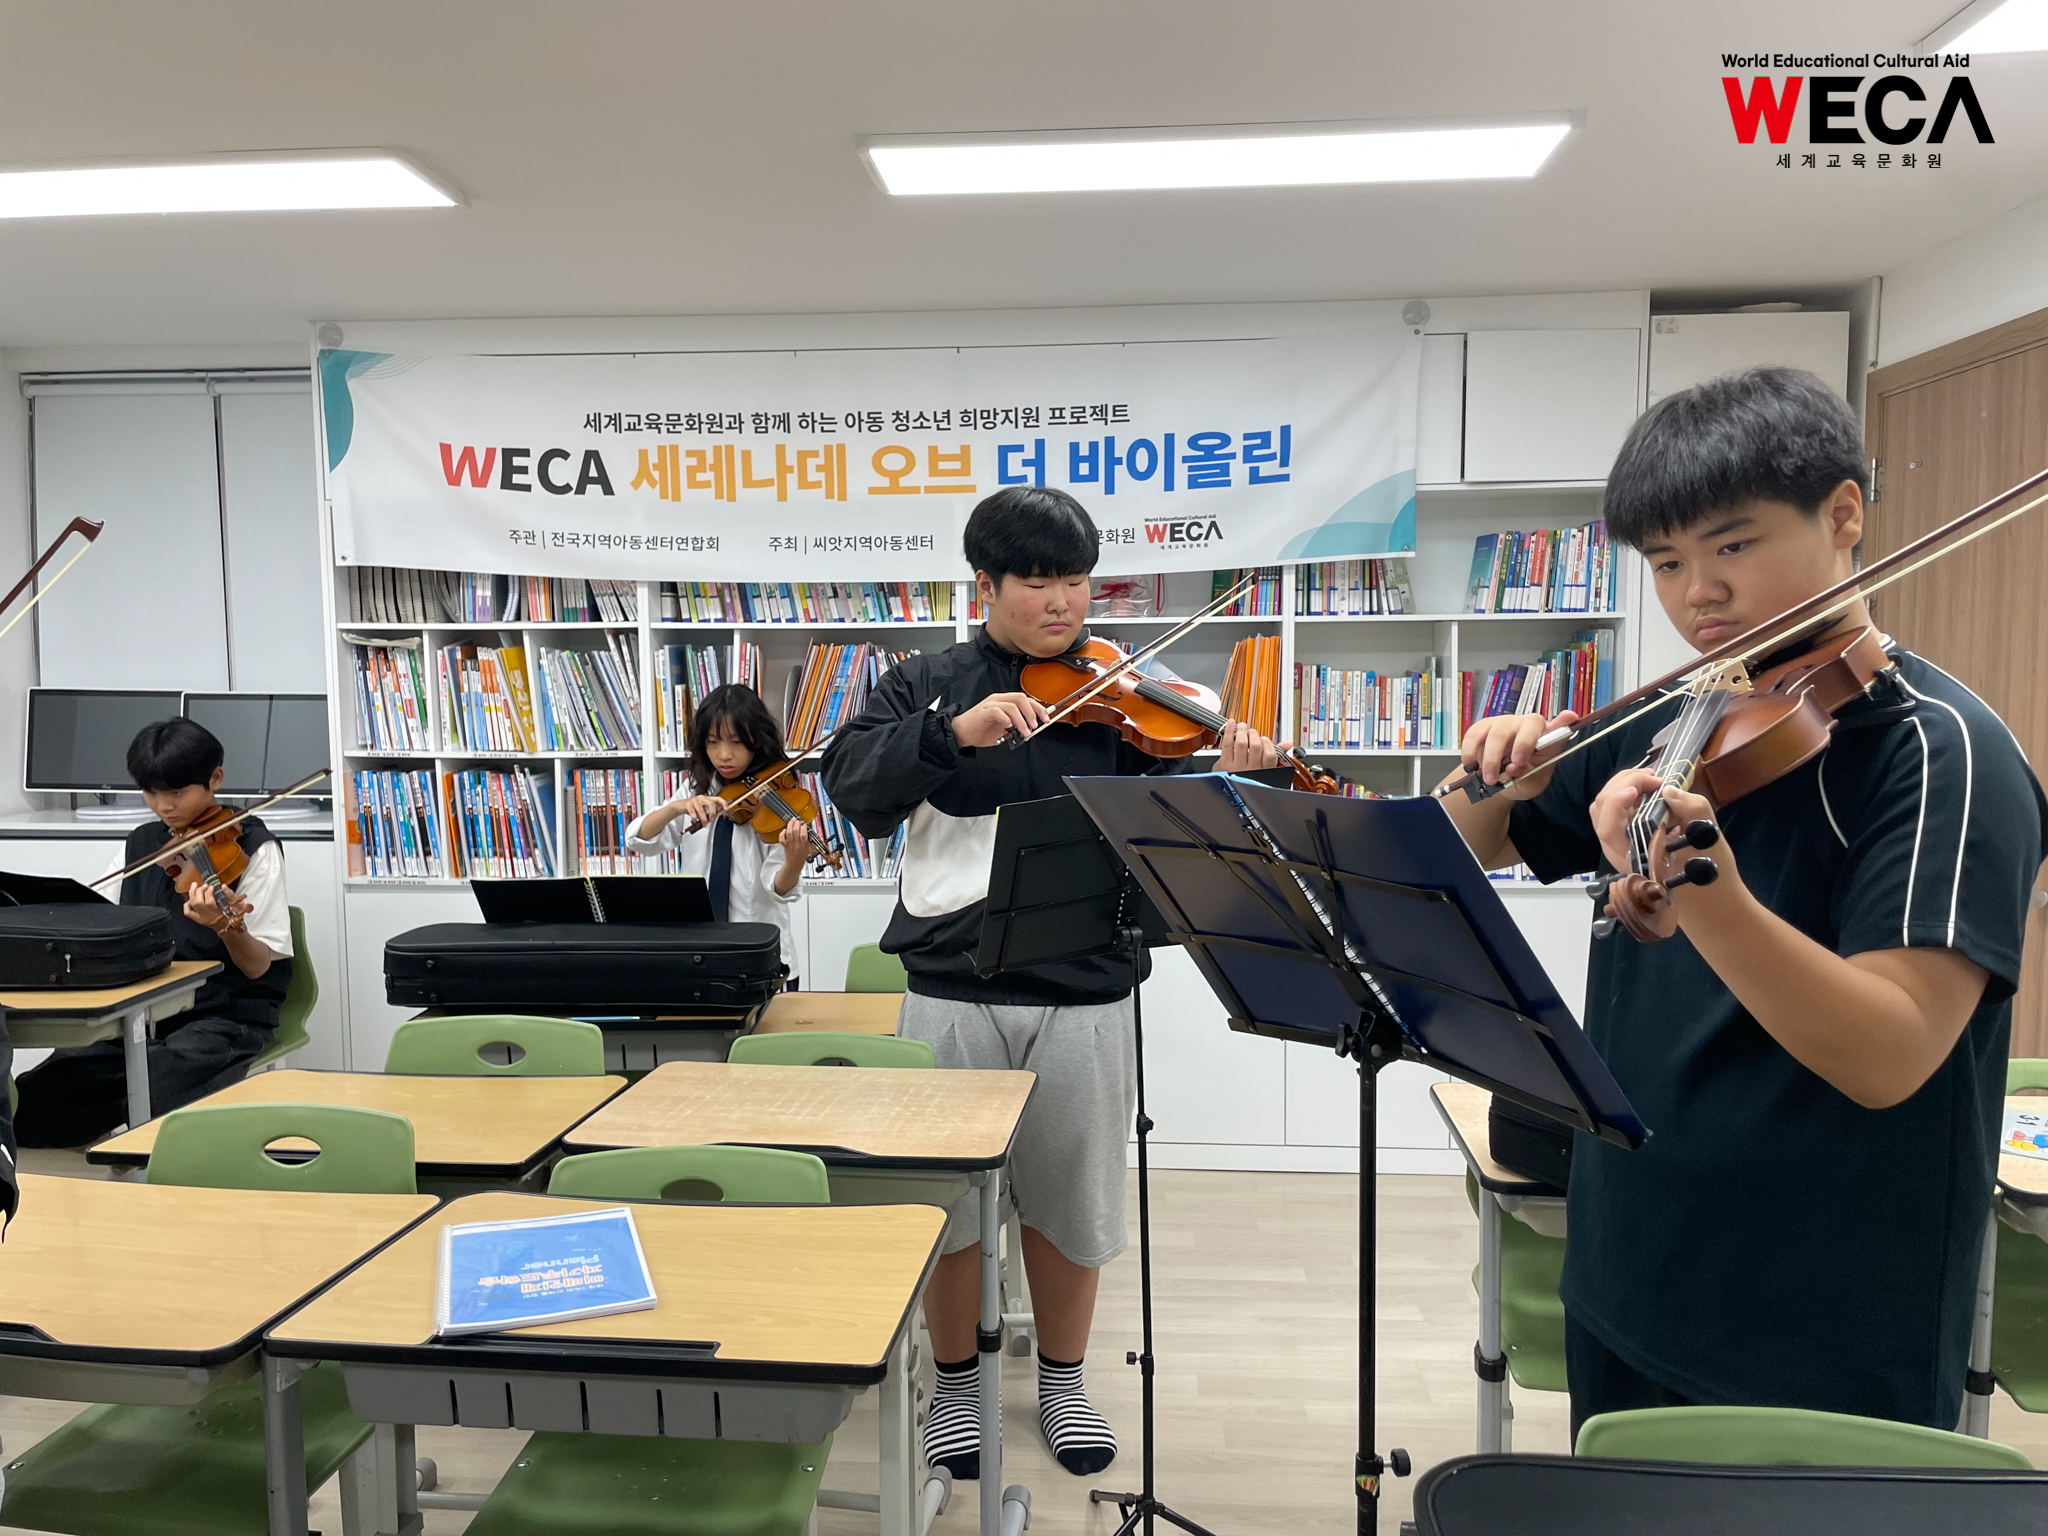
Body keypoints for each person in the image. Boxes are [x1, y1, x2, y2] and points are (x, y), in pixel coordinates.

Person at [1439, 366, 2048, 1437]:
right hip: (1627, 1259)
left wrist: (1702, 889)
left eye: (1731, 546)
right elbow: (1467, 849)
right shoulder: (1681, 715)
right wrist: (1489, 778)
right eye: (1666, 562)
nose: (1697, 595)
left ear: (1843, 515)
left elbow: (1891, 1051)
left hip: (1817, 1311)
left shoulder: (1940, 754)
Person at [820, 484, 1283, 1479]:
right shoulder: (925, 683)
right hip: (951, 987)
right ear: (984, 583)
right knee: (950, 1208)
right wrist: (954, 733)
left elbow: (1178, 817)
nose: (1063, 601)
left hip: (1085, 985)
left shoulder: (1122, 689)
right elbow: (853, 787)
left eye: (1075, 580)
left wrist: (1242, 771)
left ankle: (1063, 1381)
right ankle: (957, 1385)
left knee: (1074, 1201)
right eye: (1037, 581)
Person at [14, 718, 296, 1148]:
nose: (163, 806)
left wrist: (225, 926)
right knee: (37, 1097)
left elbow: (258, 967)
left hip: (223, 1015)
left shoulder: (254, 848)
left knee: (159, 1081)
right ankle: (107, 1143)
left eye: (177, 792)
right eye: (151, 793)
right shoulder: (142, 843)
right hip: (140, 1013)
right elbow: (97, 917)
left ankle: (134, 1150)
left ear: (215, 779)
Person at [624, 683, 810, 981]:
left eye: (736, 742)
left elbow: (778, 887)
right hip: (699, 954)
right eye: (712, 742)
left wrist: (794, 862)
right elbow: (639, 839)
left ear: (756, 741)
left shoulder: (775, 800)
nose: (724, 755)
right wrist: (677, 808)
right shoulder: (698, 788)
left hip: (759, 958)